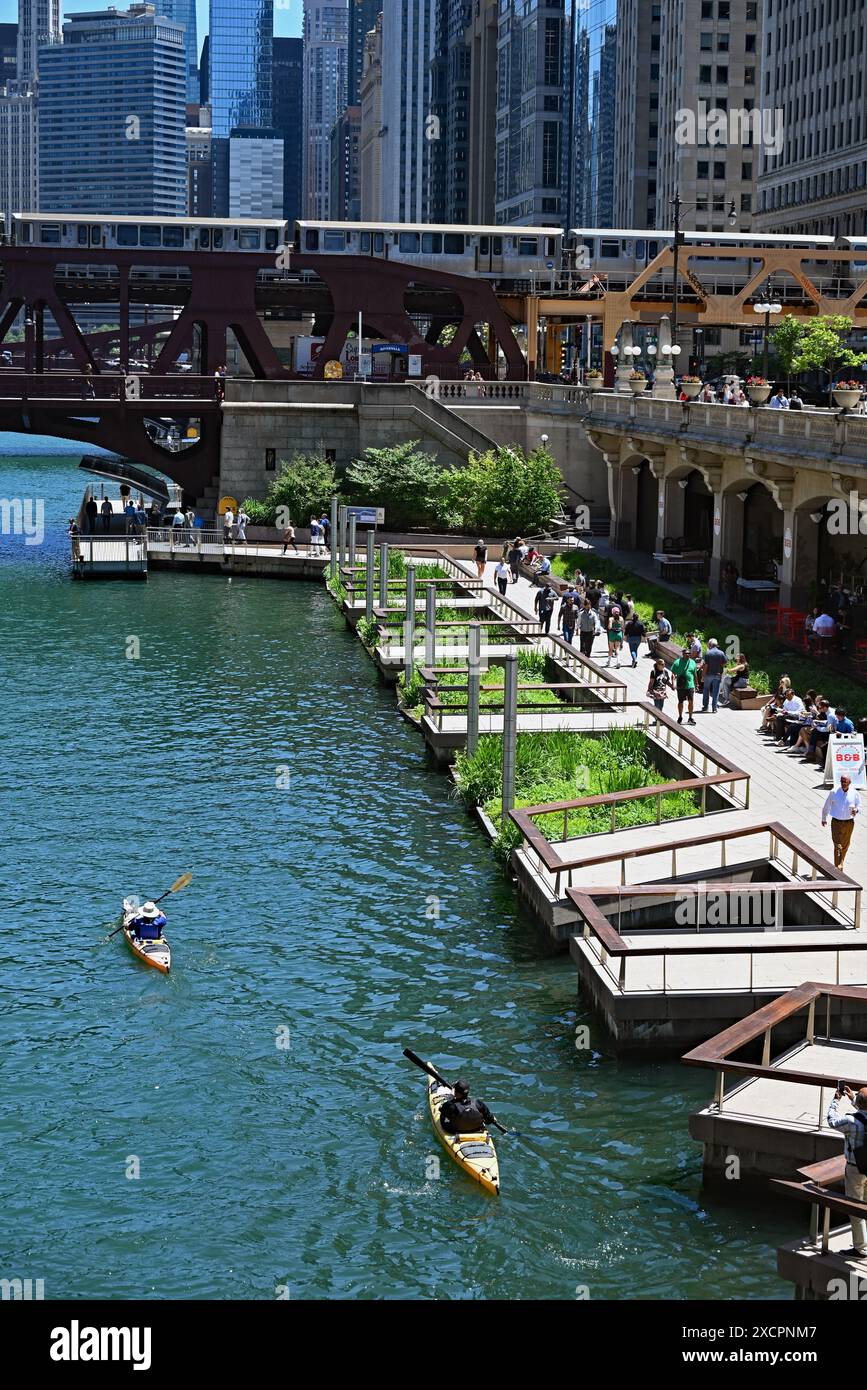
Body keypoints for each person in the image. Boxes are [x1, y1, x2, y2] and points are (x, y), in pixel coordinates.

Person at [826, 1085, 867, 1257]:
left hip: (855, 1168)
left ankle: (861, 1248)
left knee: (855, 1208)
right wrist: (854, 1100)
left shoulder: (851, 1122)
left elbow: (831, 1120)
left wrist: (836, 1100)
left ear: (859, 1101)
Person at [822, 773, 861, 869]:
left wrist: (856, 810)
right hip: (836, 822)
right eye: (842, 781)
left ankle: (840, 864)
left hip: (849, 823)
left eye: (845, 782)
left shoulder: (855, 793)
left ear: (849, 782)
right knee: (838, 845)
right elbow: (827, 805)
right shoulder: (834, 792)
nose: (843, 783)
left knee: (845, 845)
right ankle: (839, 868)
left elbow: (859, 806)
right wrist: (824, 818)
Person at [670, 646, 698, 724]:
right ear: (683, 654)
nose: (688, 655)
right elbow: (673, 674)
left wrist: (697, 684)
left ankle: (690, 717)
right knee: (680, 701)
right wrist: (673, 684)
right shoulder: (677, 662)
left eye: (689, 653)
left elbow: (695, 674)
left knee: (691, 701)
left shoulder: (692, 662)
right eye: (686, 653)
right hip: (681, 685)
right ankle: (680, 716)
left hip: (690, 685)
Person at [701, 639, 727, 713]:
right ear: (717, 644)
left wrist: (703, 675)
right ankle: (714, 708)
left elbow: (706, 666)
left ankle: (705, 707)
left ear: (710, 645)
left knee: (706, 689)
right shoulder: (721, 653)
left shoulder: (708, 653)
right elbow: (724, 663)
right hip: (717, 674)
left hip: (708, 674)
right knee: (716, 691)